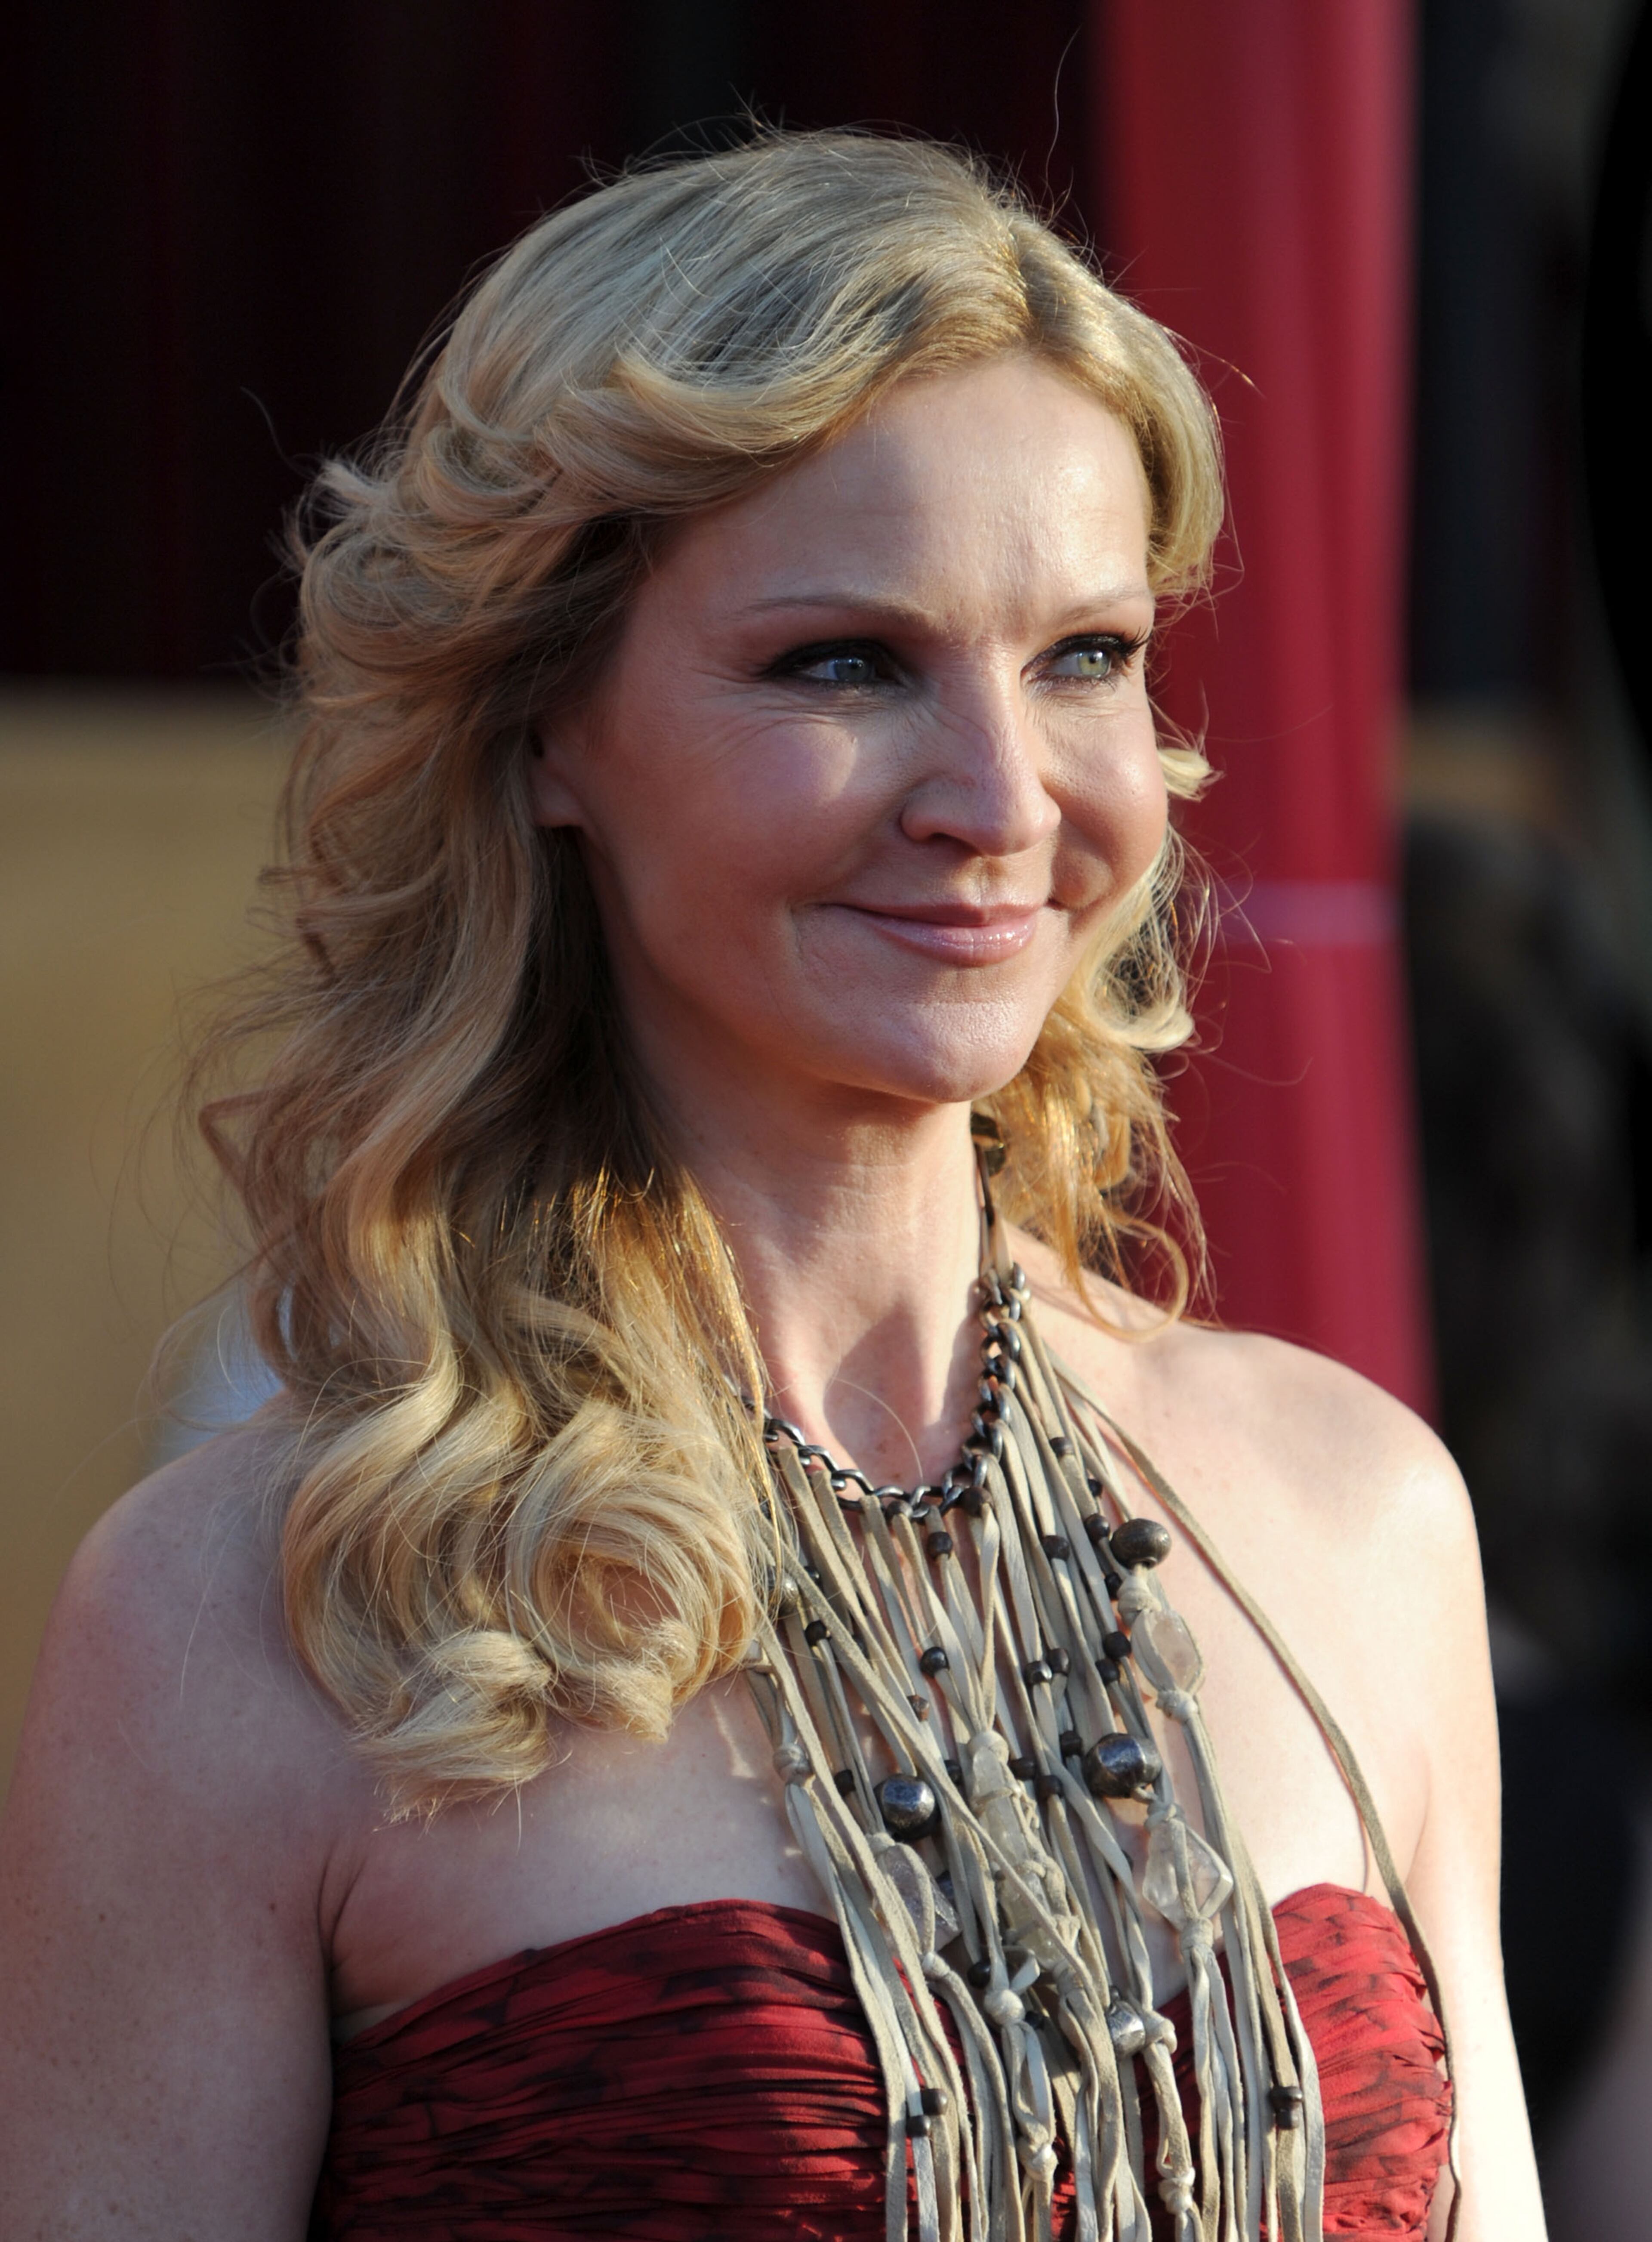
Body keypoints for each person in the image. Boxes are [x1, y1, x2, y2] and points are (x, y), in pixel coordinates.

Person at [0, 133, 1542, 2241]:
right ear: (546, 727)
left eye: (1083, 655)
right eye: (845, 664)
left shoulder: (1353, 1512)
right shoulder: (247, 1623)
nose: (1001, 802)